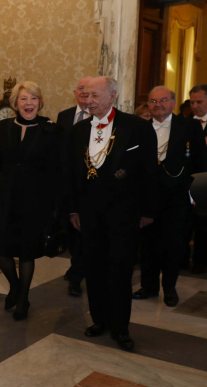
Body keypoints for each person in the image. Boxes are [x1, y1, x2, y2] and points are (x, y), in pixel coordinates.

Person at [68, 76, 158, 352]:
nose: (89, 100)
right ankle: (100, 321)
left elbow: (149, 174)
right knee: (93, 268)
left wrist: (148, 211)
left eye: (95, 95)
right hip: (89, 214)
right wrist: (73, 208)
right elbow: (70, 173)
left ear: (112, 96)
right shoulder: (79, 129)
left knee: (119, 271)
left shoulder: (138, 128)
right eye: (86, 95)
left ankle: (120, 328)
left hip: (124, 213)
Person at [0, 82, 62, 319]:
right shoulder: (4, 126)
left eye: (34, 99)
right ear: (16, 103)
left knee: (27, 251)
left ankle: (23, 299)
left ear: (41, 102)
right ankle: (15, 286)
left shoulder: (51, 130)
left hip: (35, 200)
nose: (29, 103)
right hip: (6, 197)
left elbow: (56, 170)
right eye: (24, 99)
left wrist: (55, 206)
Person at [132, 86, 207, 307]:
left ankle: (170, 287)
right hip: (147, 197)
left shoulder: (189, 126)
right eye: (153, 101)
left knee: (174, 244)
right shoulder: (139, 128)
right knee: (148, 244)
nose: (158, 105)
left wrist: (195, 195)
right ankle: (149, 286)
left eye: (163, 100)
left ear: (173, 103)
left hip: (178, 197)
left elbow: (201, 163)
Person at [57, 77, 91, 296]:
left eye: (89, 90)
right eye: (81, 89)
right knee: (70, 230)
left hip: (88, 183)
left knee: (82, 233)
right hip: (66, 182)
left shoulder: (100, 117)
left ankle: (77, 276)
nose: (84, 94)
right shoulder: (64, 116)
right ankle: (75, 266)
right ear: (75, 92)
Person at [189, 85, 207, 273]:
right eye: (192, 102)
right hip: (188, 181)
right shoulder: (184, 123)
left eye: (199, 102)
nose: (195, 105)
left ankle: (201, 261)